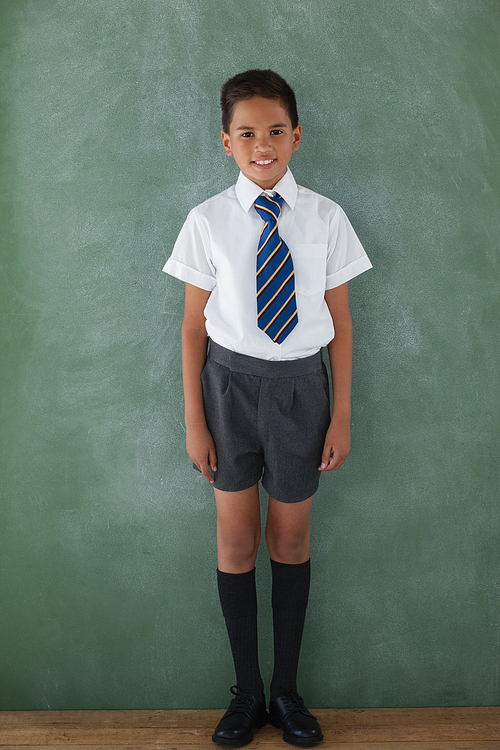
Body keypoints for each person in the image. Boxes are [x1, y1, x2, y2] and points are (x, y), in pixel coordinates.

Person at [163, 69, 372, 747]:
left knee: (289, 538)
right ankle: (245, 692)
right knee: (235, 540)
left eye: (276, 131)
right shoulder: (207, 221)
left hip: (301, 391)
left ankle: (286, 691)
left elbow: (340, 323)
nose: (263, 144)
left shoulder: (325, 217)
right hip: (227, 390)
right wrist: (195, 419)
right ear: (226, 142)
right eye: (247, 133)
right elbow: (194, 327)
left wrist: (340, 414)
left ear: (296, 137)